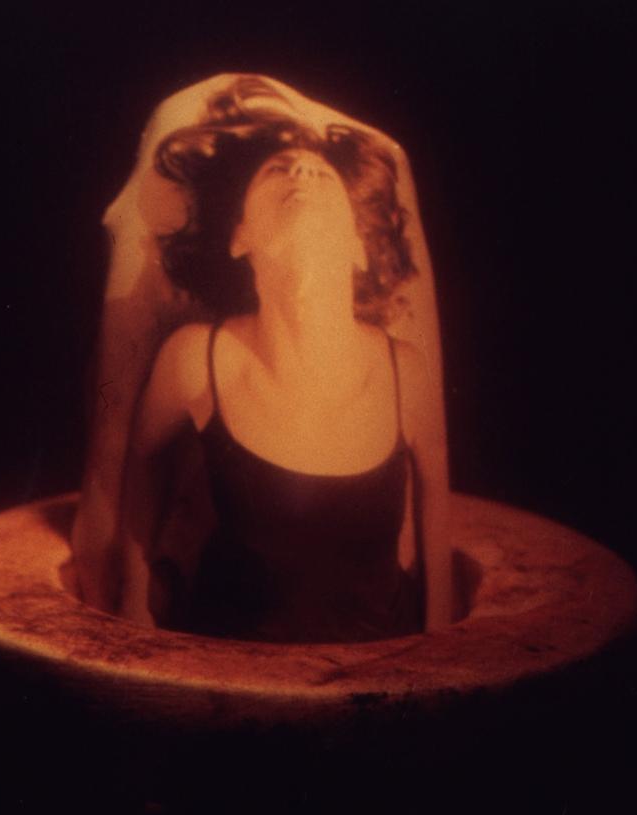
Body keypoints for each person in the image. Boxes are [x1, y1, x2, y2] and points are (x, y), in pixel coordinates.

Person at [72, 74, 459, 640]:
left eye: (323, 176)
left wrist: (441, 639)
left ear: (357, 248)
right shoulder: (194, 359)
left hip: (372, 662)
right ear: (240, 237)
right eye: (277, 170)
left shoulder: (406, 370)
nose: (301, 171)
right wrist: (134, 594)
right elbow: (133, 462)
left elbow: (434, 513)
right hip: (229, 657)